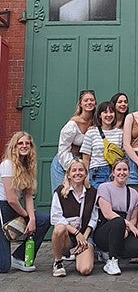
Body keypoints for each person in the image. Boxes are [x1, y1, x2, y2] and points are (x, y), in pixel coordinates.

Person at [0, 132, 50, 273]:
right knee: (3, 267)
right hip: (3, 207)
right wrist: (26, 216)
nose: (24, 146)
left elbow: (28, 195)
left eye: (27, 143)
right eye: (20, 143)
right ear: (14, 146)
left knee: (43, 220)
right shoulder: (7, 164)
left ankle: (19, 257)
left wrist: (32, 219)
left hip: (15, 207)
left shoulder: (28, 166)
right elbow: (11, 199)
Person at [93, 158, 138, 275]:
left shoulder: (133, 193)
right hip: (105, 230)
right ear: (113, 172)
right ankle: (112, 261)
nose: (122, 172)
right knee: (118, 222)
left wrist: (128, 228)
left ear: (129, 172)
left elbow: (134, 216)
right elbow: (107, 213)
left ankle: (108, 254)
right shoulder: (104, 188)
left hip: (124, 230)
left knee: (136, 248)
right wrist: (127, 224)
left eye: (125, 169)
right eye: (118, 169)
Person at [50, 158, 98, 277]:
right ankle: (58, 262)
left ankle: (81, 255)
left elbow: (94, 218)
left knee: (85, 270)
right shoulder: (60, 192)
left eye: (81, 170)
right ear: (69, 175)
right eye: (74, 170)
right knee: (59, 228)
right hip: (67, 237)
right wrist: (76, 233)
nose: (78, 173)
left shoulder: (92, 192)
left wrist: (84, 237)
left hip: (84, 236)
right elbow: (56, 217)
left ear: (86, 173)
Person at [50, 90, 96, 193]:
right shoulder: (72, 125)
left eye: (92, 100)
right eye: (86, 100)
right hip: (64, 162)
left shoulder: (95, 122)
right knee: (62, 194)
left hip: (83, 163)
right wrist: (73, 168)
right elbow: (63, 149)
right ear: (80, 104)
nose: (89, 102)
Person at [81, 101, 124, 189]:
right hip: (97, 172)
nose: (109, 115)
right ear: (100, 115)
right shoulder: (91, 133)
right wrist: (85, 177)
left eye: (111, 112)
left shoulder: (120, 133)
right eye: (105, 112)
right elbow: (86, 158)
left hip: (116, 173)